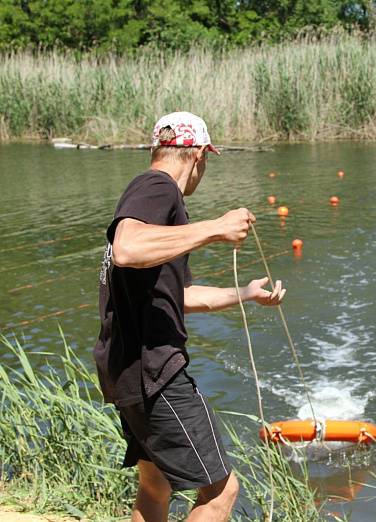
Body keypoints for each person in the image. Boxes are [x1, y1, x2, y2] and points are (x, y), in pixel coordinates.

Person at [93, 111, 286, 522]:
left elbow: (177, 296)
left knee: (156, 485)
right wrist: (215, 228)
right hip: (156, 373)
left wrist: (246, 294)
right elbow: (127, 247)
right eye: (207, 160)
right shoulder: (157, 187)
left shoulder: (158, 206)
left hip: (127, 370)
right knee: (221, 492)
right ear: (198, 154)